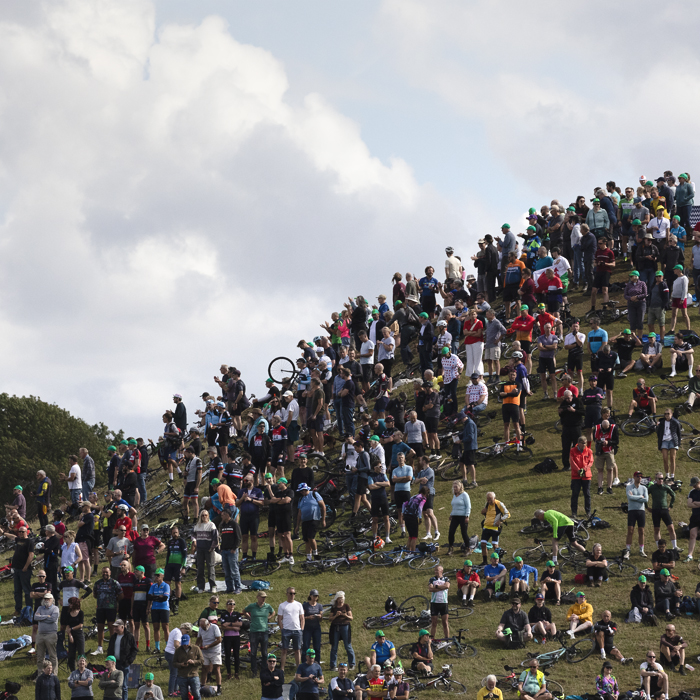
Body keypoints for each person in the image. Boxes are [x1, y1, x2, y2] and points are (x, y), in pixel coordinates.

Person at [90, 567, 122, 656]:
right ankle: (100, 648)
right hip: (100, 608)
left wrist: (116, 604)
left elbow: (120, 594)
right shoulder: (97, 583)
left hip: (111, 608)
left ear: (110, 572)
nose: (105, 574)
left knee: (112, 627)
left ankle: (112, 648)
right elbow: (95, 594)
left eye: (107, 572)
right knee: (100, 627)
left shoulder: (115, 583)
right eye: (103, 572)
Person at [244, 591, 275, 676]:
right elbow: (244, 610)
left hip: (264, 631)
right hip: (254, 631)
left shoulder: (267, 606)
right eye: (262, 597)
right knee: (253, 652)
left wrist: (269, 617)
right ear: (258, 597)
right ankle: (254, 671)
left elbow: (273, 612)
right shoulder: (252, 606)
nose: (263, 599)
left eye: (265, 597)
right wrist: (249, 617)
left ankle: (265, 670)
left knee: (264, 653)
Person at [106, 619, 137, 700]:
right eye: (114, 627)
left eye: (117, 627)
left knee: (124, 686)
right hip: (114, 664)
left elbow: (134, 650)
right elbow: (109, 649)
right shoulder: (113, 637)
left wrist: (129, 661)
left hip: (124, 664)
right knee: (113, 684)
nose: (115, 629)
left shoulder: (129, 636)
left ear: (122, 627)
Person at [297, 482, 327, 559]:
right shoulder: (301, 498)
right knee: (306, 540)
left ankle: (316, 553)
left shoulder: (314, 494)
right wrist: (297, 525)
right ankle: (309, 557)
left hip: (314, 518)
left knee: (311, 537)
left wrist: (323, 519)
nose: (301, 492)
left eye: (302, 491)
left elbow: (323, 506)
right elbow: (299, 513)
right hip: (305, 520)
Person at [192, 510, 219, 594]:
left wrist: (212, 548)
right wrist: (194, 541)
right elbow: (192, 534)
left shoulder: (211, 525)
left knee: (210, 568)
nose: (204, 517)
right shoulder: (197, 525)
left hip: (209, 549)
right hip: (200, 549)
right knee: (200, 568)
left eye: (205, 515)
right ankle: (201, 587)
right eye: (202, 515)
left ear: (208, 516)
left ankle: (213, 586)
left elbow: (215, 538)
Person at [11, 521, 34, 616]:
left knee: (26, 590)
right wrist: (3, 532)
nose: (20, 533)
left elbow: (31, 555)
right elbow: (11, 537)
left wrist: (25, 566)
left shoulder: (29, 541)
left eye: (22, 532)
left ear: (26, 532)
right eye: (19, 532)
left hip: (24, 570)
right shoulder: (18, 540)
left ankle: (28, 609)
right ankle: (18, 609)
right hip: (16, 569)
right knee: (17, 591)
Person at [480, 493, 509, 566]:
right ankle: (485, 562)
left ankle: (498, 561)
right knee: (483, 544)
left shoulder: (499, 504)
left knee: (495, 546)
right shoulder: (487, 504)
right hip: (486, 527)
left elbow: (507, 514)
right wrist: (483, 513)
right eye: (487, 499)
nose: (489, 501)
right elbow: (488, 514)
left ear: (494, 498)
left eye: (490, 499)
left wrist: (500, 520)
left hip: (495, 528)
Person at [34, 592, 59, 676]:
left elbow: (53, 619)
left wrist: (41, 617)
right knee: (40, 657)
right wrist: (46, 616)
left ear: (52, 600)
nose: (46, 600)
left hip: (51, 634)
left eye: (48, 599)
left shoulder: (55, 609)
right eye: (45, 598)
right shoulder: (40, 608)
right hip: (40, 634)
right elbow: (35, 617)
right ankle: (40, 675)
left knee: (52, 655)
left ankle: (54, 674)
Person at [174, 634, 204, 700]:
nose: (185, 646)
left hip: (193, 675)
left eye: (186, 644)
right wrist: (181, 664)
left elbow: (202, 660)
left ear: (190, 641)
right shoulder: (178, 650)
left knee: (196, 693)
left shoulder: (196, 648)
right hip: (182, 676)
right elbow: (174, 663)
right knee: (184, 695)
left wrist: (194, 662)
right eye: (184, 644)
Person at [593, 416, 619, 495]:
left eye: (606, 428)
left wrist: (608, 442)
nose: (604, 430)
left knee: (610, 469)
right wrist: (598, 442)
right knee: (600, 470)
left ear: (609, 425)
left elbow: (616, 441)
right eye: (603, 428)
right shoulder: (597, 428)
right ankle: (600, 487)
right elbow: (595, 439)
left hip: (609, 451)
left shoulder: (613, 428)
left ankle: (609, 487)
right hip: (600, 451)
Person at [196, 616, 222, 694]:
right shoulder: (200, 628)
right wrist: (196, 647)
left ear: (208, 624)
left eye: (204, 627)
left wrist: (209, 646)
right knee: (204, 668)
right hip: (205, 651)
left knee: (216, 668)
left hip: (215, 651)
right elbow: (199, 639)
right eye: (201, 627)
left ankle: (219, 687)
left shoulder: (214, 627)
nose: (203, 629)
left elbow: (219, 640)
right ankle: (202, 686)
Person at [570, 435, 593, 518]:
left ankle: (588, 511)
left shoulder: (589, 451)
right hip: (576, 476)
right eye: (583, 443)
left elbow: (590, 462)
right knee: (575, 494)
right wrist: (578, 470)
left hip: (586, 476)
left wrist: (584, 469)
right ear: (578, 443)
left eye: (585, 443)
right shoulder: (573, 451)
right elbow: (572, 462)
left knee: (587, 494)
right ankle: (574, 512)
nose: (584, 445)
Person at [657, 409, 681, 482]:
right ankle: (667, 475)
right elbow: (658, 432)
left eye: (668, 414)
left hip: (672, 440)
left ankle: (672, 476)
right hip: (664, 440)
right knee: (665, 458)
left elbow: (678, 433)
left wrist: (678, 443)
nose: (666, 415)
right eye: (665, 414)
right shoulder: (661, 422)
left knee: (672, 458)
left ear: (671, 414)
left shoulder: (675, 422)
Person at [149, 569, 170, 654]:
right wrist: (159, 597)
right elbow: (149, 597)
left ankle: (168, 647)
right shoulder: (153, 586)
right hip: (155, 608)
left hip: (164, 608)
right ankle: (157, 648)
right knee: (156, 628)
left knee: (165, 627)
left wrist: (156, 597)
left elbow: (164, 598)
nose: (156, 577)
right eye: (155, 575)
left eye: (158, 575)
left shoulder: (166, 586)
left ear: (162, 575)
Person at [428, 564, 450, 640]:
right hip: (434, 603)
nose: (436, 571)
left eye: (437, 570)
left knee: (445, 622)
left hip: (444, 602)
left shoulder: (446, 579)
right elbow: (430, 589)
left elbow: (447, 586)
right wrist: (441, 588)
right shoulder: (432, 579)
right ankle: (432, 639)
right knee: (434, 623)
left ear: (441, 571)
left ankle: (447, 639)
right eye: (435, 570)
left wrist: (436, 587)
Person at [303, 589, 324, 664]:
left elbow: (321, 617)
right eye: (314, 596)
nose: (315, 597)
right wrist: (308, 617)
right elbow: (302, 617)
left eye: (316, 596)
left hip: (316, 628)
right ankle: (304, 662)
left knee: (317, 646)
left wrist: (319, 616)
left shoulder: (319, 606)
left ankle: (317, 662)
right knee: (305, 646)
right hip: (307, 628)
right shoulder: (305, 605)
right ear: (310, 596)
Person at [669, 264, 690, 333]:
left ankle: (688, 329)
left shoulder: (684, 278)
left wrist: (682, 298)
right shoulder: (677, 279)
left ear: (679, 270)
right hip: (675, 298)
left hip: (681, 298)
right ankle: (672, 329)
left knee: (684, 314)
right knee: (673, 314)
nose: (674, 270)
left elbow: (685, 289)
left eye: (675, 269)